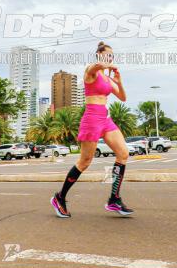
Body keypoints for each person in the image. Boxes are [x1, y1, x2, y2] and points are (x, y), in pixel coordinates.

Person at [51, 41, 133, 218]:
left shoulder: (108, 79)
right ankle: (60, 197)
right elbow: (96, 66)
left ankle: (114, 199)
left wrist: (119, 81)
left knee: (123, 153)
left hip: (106, 118)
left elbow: (123, 97)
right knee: (85, 161)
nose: (110, 58)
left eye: (112, 55)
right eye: (107, 55)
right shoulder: (91, 71)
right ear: (99, 56)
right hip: (92, 118)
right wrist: (107, 64)